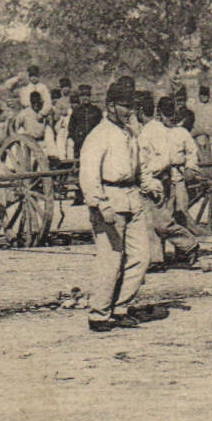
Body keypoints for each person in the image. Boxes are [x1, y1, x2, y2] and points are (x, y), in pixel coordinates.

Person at [77, 78, 152, 332]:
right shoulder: (99, 135)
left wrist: (150, 186)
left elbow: (139, 166)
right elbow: (88, 174)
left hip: (132, 198)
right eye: (124, 105)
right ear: (110, 106)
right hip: (109, 199)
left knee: (141, 257)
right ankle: (99, 313)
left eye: (131, 105)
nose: (129, 110)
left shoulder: (130, 133)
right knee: (111, 259)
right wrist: (99, 204)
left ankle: (120, 307)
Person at [138, 96, 201, 268]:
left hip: (178, 177)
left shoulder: (181, 133)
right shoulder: (156, 131)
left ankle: (184, 251)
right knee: (158, 220)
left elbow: (192, 153)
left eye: (172, 114)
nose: (170, 117)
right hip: (162, 178)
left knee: (179, 213)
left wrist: (190, 168)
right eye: (166, 114)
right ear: (159, 114)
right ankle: (157, 258)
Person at [68, 85, 103, 169]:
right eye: (83, 95)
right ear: (79, 97)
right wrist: (76, 137)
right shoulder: (76, 111)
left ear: (90, 96)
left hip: (93, 141)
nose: (85, 98)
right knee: (80, 162)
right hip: (80, 141)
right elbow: (71, 127)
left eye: (87, 95)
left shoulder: (96, 110)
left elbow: (101, 126)